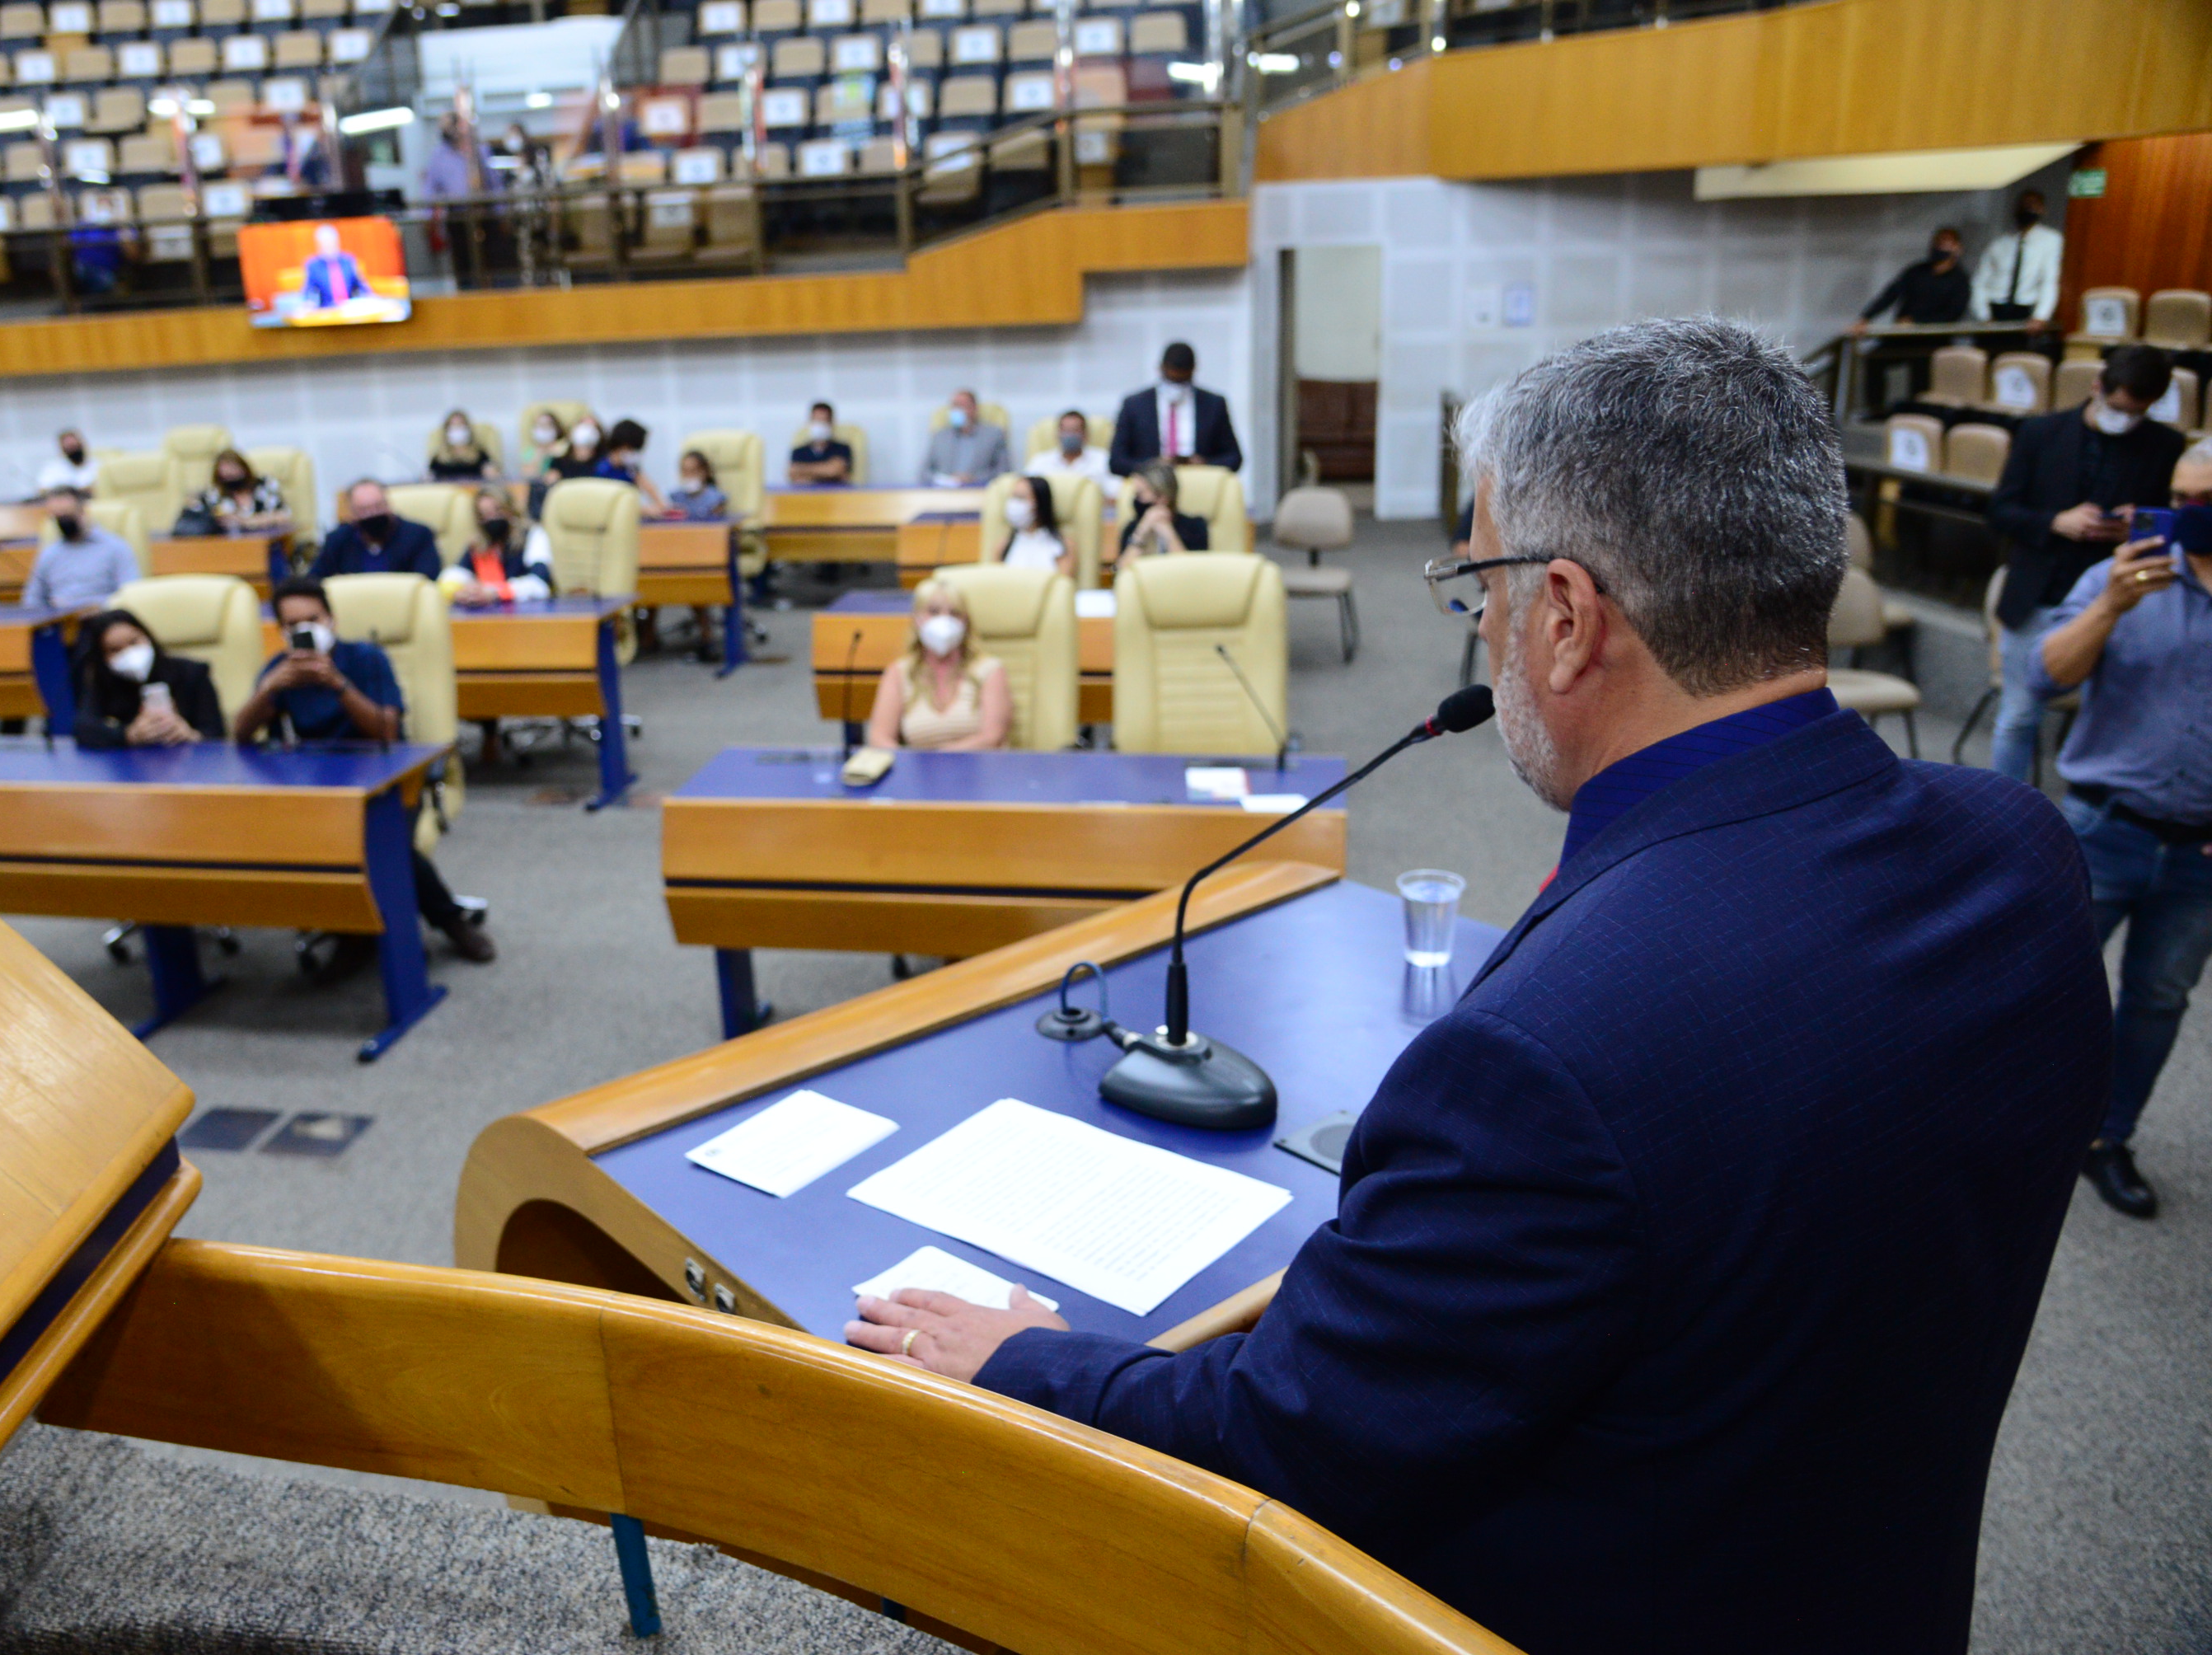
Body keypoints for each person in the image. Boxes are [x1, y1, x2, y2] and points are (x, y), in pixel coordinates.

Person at [848, 317, 2111, 1655]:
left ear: (1564, 619)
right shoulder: (2024, 859)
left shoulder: (1544, 1060)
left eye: (1483, 585)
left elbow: (1282, 1439)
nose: (1485, 623)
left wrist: (1027, 1356)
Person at [2026, 440, 2212, 1220]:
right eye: (2182, 495)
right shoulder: (2119, 577)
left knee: (2159, 998)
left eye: (2206, 499)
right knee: (2044, 988)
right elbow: (2045, 677)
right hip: (2105, 826)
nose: (2190, 511)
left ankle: (2109, 1137)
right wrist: (2110, 608)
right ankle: (2014, 1128)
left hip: (2199, 852)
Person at [233, 577, 495, 963]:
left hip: (389, 779)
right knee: (301, 842)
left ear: (331, 620)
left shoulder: (367, 659)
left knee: (382, 842)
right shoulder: (280, 670)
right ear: (281, 631)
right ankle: (355, 933)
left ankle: (450, 922)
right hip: (321, 788)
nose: (305, 631)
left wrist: (338, 684)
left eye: (312, 620)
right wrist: (267, 690)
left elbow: (386, 730)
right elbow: (241, 734)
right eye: (292, 625)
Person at [1985, 344, 2185, 782]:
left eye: (2138, 412)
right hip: (2039, 592)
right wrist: (2056, 521)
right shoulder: (2041, 432)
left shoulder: (2166, 446)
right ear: (2097, 386)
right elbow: (2001, 510)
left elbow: (2172, 522)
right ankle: (2007, 806)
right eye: (2118, 409)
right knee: (2018, 717)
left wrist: (2138, 525)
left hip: (2116, 600)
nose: (2125, 419)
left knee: (2113, 719)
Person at [863, 580, 1010, 752]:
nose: (944, 620)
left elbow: (993, 737)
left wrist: (939, 760)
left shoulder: (990, 670)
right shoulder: (899, 673)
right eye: (934, 612)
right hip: (918, 768)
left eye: (954, 613)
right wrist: (909, 763)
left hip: (979, 765)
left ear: (965, 621)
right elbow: (879, 738)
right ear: (917, 619)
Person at [70, 608, 223, 749]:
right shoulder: (103, 682)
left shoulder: (192, 672)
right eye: (115, 650)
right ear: (102, 658)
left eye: (134, 642)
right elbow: (83, 729)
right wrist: (128, 734)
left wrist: (191, 735)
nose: (129, 654)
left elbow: (217, 733)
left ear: (147, 637)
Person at [1109, 341, 1243, 476]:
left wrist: (1205, 464)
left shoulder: (1213, 405)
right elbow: (1117, 462)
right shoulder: (1135, 405)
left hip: (1199, 479)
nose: (1176, 386)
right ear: (1161, 368)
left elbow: (1234, 459)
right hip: (1153, 481)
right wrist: (1154, 465)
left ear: (1193, 370)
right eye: (1171, 379)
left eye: (1182, 380)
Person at [21, 488, 139, 610]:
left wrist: (95, 606)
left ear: (83, 511)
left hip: (102, 615)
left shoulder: (115, 548)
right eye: (59, 518)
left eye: (68, 514)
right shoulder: (49, 554)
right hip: (60, 617)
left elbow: (129, 593)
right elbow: (32, 599)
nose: (64, 522)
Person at [309, 479, 443, 580]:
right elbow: (314, 580)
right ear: (352, 514)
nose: (373, 514)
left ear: (388, 505)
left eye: (378, 507)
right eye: (364, 510)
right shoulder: (338, 540)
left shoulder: (418, 536)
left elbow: (427, 580)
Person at [1848, 226, 1971, 333]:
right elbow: (1890, 295)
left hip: (1935, 339)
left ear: (1957, 248)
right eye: (1938, 243)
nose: (1941, 248)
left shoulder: (1960, 280)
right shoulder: (1916, 272)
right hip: (1903, 335)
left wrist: (1917, 322)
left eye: (1946, 244)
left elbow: (1953, 313)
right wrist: (1865, 318)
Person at [1971, 188, 2063, 331]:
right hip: (1995, 307)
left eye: (2034, 205)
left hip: (2026, 308)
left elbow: (2049, 280)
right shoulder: (1999, 243)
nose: (2028, 209)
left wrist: (2041, 316)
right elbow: (1980, 282)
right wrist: (1983, 315)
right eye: (2025, 205)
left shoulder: (2051, 240)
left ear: (2042, 210)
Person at [448, 487, 553, 608]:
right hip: (488, 611)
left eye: (498, 511)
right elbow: (454, 575)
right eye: (484, 515)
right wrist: (458, 592)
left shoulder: (533, 535)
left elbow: (539, 583)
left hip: (527, 610)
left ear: (511, 510)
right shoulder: (479, 543)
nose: (492, 518)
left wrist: (496, 593)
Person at [1113, 460, 1208, 569]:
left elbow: (1191, 572)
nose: (1137, 500)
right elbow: (1122, 573)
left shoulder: (1195, 527)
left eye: (1140, 494)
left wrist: (1167, 531)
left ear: (1163, 497)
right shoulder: (1132, 528)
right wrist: (1142, 531)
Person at [186, 448, 291, 532]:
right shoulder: (215, 494)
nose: (231, 478)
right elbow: (196, 510)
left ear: (244, 469)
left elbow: (284, 516)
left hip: (266, 542)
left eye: (234, 472)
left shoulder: (265, 485)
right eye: (226, 476)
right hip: (231, 545)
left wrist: (247, 522)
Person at [524, 412, 604, 522]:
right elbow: (546, 483)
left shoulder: (604, 462)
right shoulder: (559, 461)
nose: (587, 432)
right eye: (583, 426)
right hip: (565, 511)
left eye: (592, 428)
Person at [923, 390, 1010, 487]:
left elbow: (1004, 471)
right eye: (955, 406)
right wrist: (946, 479)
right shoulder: (940, 436)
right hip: (945, 491)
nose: (957, 410)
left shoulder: (994, 435)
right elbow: (924, 473)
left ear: (974, 408)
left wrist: (974, 479)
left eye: (962, 406)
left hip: (980, 490)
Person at [990, 474, 1071, 580]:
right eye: (1013, 497)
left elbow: (1063, 584)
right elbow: (996, 582)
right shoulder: (1004, 545)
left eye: (1021, 498)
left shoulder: (1062, 546)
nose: (1014, 504)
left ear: (1039, 503)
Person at [595, 420, 672, 515]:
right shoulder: (601, 469)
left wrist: (664, 507)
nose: (633, 454)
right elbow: (605, 505)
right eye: (631, 449)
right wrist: (644, 510)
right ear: (622, 446)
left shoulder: (630, 469)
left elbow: (649, 487)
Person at [1026, 409, 1111, 490]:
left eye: (1075, 430)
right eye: (1066, 431)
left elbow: (1114, 493)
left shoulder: (1103, 460)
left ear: (1085, 434)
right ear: (1057, 434)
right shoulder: (1040, 461)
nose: (1070, 435)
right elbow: (1025, 489)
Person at [419, 115, 499, 201]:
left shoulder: (481, 150)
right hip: (453, 206)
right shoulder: (439, 155)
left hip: (483, 204)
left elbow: (495, 183)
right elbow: (429, 188)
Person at [298, 223, 371, 310]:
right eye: (325, 242)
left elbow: (362, 286)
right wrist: (309, 304)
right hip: (327, 310)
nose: (329, 245)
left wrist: (367, 298)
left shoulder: (349, 260)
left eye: (331, 241)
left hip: (350, 308)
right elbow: (308, 292)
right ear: (318, 244)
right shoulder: (313, 265)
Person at [790, 402, 854, 484]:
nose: (820, 425)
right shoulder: (799, 451)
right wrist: (826, 470)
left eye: (824, 421)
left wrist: (803, 470)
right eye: (817, 421)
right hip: (808, 492)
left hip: (835, 492)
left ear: (831, 423)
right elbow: (793, 473)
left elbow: (835, 470)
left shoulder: (842, 448)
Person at [428, 410, 498, 481]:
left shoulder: (480, 455)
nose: (457, 429)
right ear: (447, 431)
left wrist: (492, 473)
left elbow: (493, 476)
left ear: (468, 429)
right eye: (453, 426)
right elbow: (429, 479)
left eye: (460, 425)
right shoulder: (438, 459)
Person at [669, 450, 729, 519]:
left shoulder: (716, 499)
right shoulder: (676, 497)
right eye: (685, 471)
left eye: (693, 471)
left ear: (705, 472)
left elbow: (716, 524)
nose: (689, 475)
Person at [35, 428, 96, 496]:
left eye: (74, 446)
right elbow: (43, 489)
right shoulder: (52, 468)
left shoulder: (96, 465)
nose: (73, 450)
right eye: (69, 447)